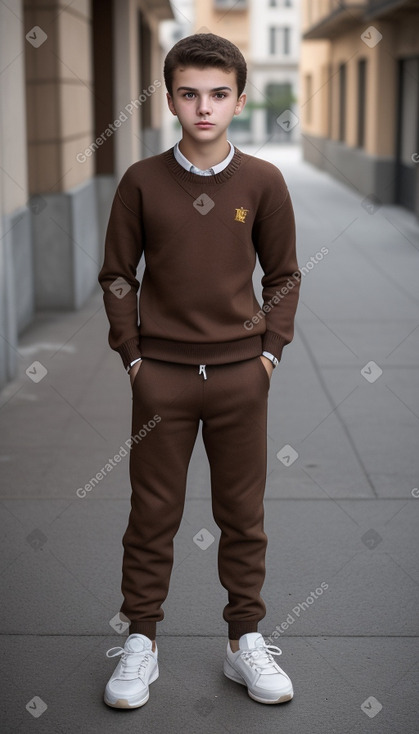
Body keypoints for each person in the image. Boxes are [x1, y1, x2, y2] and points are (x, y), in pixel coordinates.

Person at [98, 32, 300, 709]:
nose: (203, 107)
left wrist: (269, 352)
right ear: (171, 97)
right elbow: (118, 276)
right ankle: (141, 642)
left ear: (238, 100)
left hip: (242, 376)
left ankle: (245, 640)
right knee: (151, 512)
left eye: (217, 94)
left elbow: (284, 274)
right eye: (189, 93)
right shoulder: (141, 182)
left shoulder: (264, 182)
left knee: (243, 513)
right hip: (161, 377)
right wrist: (132, 357)